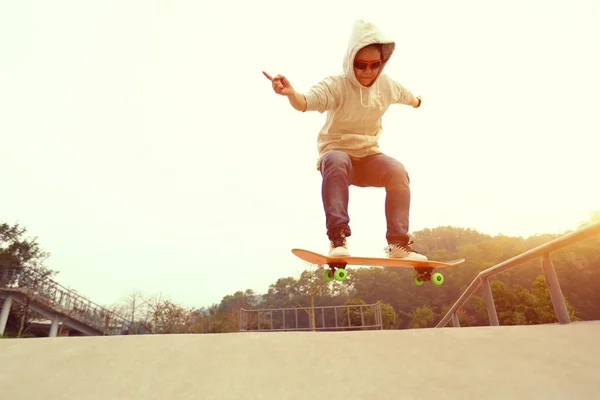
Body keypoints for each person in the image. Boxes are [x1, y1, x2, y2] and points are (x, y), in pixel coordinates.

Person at [262, 19, 427, 261]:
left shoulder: (387, 85)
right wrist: (291, 94)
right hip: (338, 157)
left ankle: (398, 244)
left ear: (382, 63)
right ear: (351, 61)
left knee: (397, 170)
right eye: (360, 65)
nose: (367, 71)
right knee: (338, 159)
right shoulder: (336, 85)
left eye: (374, 65)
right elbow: (305, 102)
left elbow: (409, 97)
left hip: (370, 158)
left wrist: (418, 101)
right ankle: (337, 237)